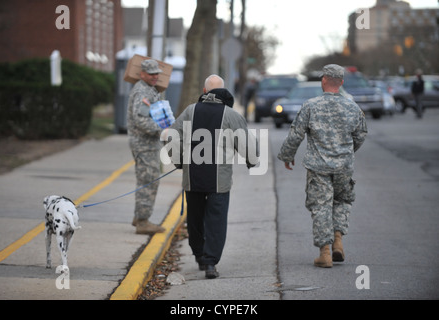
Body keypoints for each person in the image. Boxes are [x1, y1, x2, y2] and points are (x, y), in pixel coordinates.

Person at [168, 74, 259, 278]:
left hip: (193, 177)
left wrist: (178, 161)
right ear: (224, 92)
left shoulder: (190, 111)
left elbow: (172, 137)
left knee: (195, 218)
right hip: (220, 180)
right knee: (216, 220)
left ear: (204, 92)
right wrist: (251, 161)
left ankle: (199, 255)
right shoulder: (231, 115)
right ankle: (210, 263)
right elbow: (249, 146)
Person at [277, 64, 367, 268]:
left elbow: (296, 133)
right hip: (344, 165)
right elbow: (361, 134)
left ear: (323, 80)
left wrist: (287, 155)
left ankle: (325, 253)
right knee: (342, 201)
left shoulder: (310, 105)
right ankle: (338, 241)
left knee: (321, 205)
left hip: (319, 167)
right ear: (342, 82)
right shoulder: (352, 106)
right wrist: (347, 151)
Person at [127, 59, 166, 235]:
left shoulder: (149, 90)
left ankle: (139, 216)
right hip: (144, 145)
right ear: (142, 74)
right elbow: (140, 119)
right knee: (149, 181)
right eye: (151, 74)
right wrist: (162, 129)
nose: (155, 76)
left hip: (148, 144)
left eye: (157, 73)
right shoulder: (143, 91)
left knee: (147, 179)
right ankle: (143, 222)